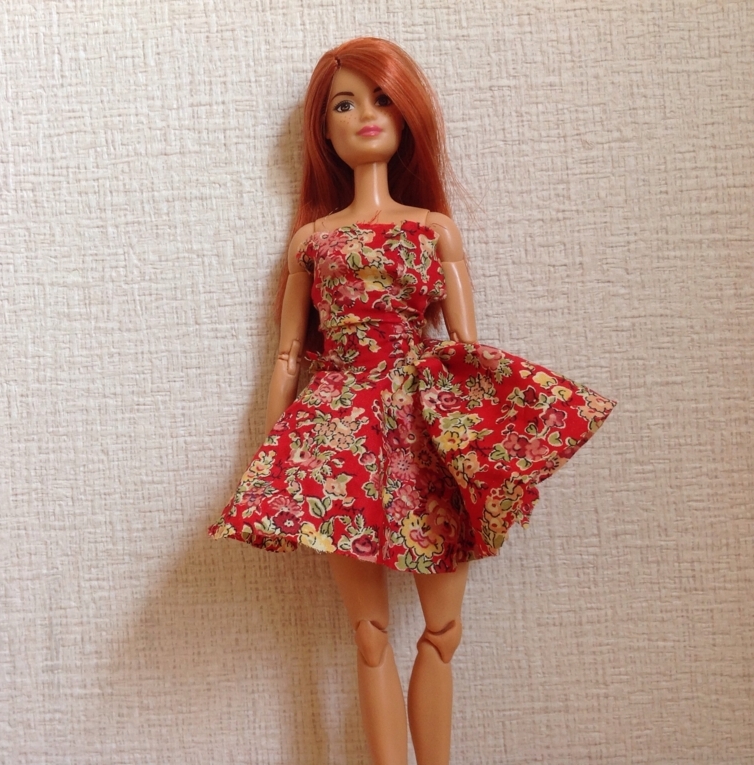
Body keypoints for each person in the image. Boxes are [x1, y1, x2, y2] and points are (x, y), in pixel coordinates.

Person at [209, 38, 615, 765]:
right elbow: (287, 356)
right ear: (324, 130)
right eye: (344, 104)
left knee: (443, 630)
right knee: (367, 635)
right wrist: (276, 462)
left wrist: (487, 448)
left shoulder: (434, 230)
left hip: (425, 423)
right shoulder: (311, 241)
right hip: (338, 429)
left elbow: (468, 353)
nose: (365, 115)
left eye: (382, 98)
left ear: (408, 116)